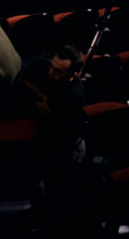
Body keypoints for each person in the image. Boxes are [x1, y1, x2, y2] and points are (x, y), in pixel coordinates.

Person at [23, 45, 87, 222]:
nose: (50, 72)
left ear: (73, 75)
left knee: (54, 190)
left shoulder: (72, 94)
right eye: (52, 66)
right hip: (53, 143)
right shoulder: (56, 79)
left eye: (58, 71)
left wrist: (43, 100)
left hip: (66, 149)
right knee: (37, 182)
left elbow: (42, 109)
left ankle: (48, 222)